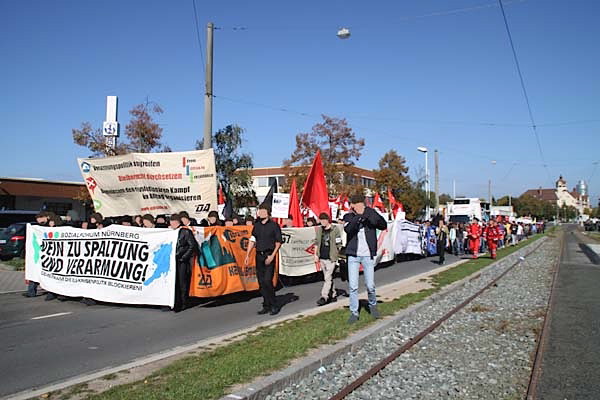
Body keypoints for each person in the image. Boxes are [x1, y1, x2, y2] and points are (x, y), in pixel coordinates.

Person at [343, 194, 387, 324]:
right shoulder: (349, 216)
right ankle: (354, 312)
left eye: (355, 204)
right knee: (353, 286)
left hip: (367, 255)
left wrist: (368, 213)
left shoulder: (370, 214)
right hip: (353, 255)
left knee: (370, 285)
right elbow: (348, 229)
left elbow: (382, 225)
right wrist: (358, 217)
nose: (353, 207)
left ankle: (372, 306)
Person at [244, 205, 283, 316]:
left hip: (269, 255)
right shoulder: (256, 226)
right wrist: (247, 255)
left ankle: (274, 304)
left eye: (263, 210)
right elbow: (252, 240)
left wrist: (272, 256)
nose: (260, 212)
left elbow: (278, 242)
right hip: (259, 256)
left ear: (268, 212)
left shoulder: (274, 226)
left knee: (267, 281)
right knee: (261, 283)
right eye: (259, 211)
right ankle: (266, 304)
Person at [169, 213, 197, 312]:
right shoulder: (170, 232)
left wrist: (184, 258)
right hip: (172, 262)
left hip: (181, 261)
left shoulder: (185, 232)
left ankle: (184, 302)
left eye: (172, 222)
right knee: (174, 282)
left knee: (182, 282)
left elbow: (192, 246)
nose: (171, 224)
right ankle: (175, 302)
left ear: (177, 222)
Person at [314, 212, 341, 306]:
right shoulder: (319, 230)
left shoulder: (334, 229)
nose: (322, 222)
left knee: (327, 277)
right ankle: (333, 294)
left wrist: (336, 253)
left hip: (331, 258)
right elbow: (316, 242)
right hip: (322, 257)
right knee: (328, 278)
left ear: (327, 220)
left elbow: (339, 243)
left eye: (324, 220)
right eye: (321, 220)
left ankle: (324, 296)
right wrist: (316, 255)